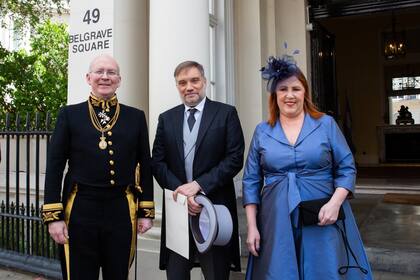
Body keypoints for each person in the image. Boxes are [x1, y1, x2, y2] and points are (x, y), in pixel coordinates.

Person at [242, 56, 373, 279]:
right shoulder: (262, 131)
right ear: (275, 94)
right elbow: (251, 181)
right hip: (275, 216)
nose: (290, 95)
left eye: (296, 88)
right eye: (283, 89)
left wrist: (335, 203)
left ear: (305, 92)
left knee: (323, 269)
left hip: (322, 212)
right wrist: (252, 227)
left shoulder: (325, 124)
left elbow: (347, 167)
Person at [42, 54, 154, 280]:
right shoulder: (69, 115)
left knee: (118, 274)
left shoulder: (135, 117)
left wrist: (145, 211)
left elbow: (145, 165)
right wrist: (54, 217)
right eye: (99, 72)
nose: (105, 77)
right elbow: (54, 167)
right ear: (88, 78)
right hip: (81, 208)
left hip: (121, 209)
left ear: (119, 80)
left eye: (111, 72)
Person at [152, 60, 244, 280]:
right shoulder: (167, 118)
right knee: (176, 274)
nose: (189, 87)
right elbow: (157, 162)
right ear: (177, 86)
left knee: (215, 273)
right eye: (182, 83)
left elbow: (234, 158)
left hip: (214, 206)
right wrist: (182, 192)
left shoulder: (226, 113)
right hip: (178, 209)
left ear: (204, 81)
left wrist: (199, 186)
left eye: (194, 80)